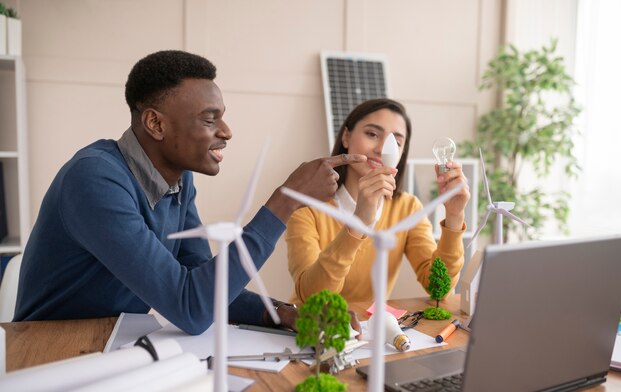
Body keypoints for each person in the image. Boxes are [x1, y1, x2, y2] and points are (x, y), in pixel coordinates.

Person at [13, 50, 366, 335]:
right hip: (48, 354)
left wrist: (284, 313)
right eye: (210, 119)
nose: (226, 131)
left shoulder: (180, 182)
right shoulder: (94, 180)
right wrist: (286, 199)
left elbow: (205, 287)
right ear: (156, 123)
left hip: (111, 346)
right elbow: (191, 308)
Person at [285, 98, 471, 305]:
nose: (383, 149)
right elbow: (314, 297)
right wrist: (359, 222)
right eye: (372, 134)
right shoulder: (307, 208)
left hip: (373, 332)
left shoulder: (407, 208)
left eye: (396, 143)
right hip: (309, 331)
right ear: (346, 137)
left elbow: (440, 290)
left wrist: (454, 215)